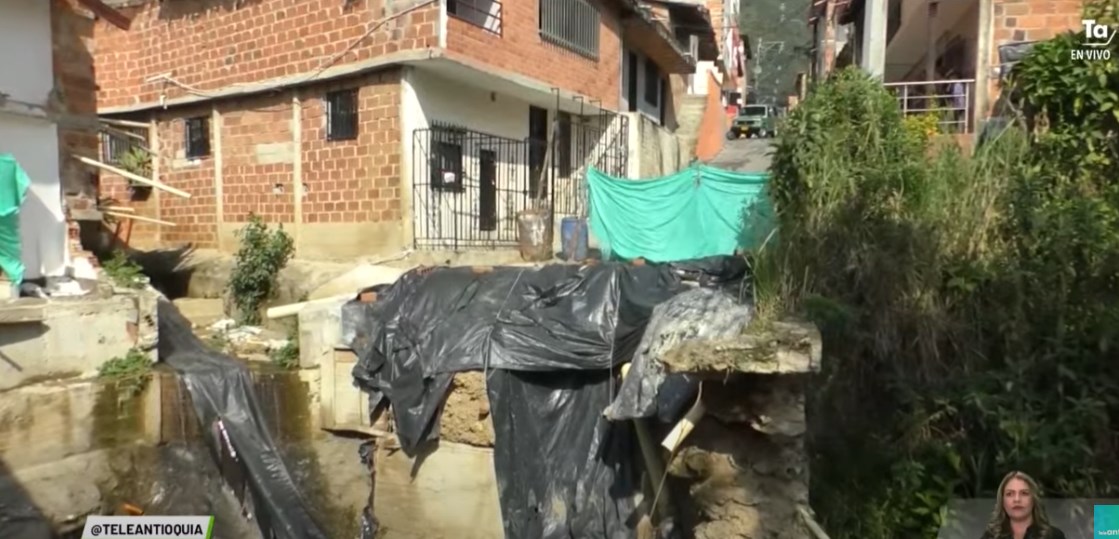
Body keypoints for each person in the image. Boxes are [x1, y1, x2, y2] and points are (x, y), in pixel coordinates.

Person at [981, 471, 1067, 539]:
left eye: (1024, 493)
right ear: (1002, 501)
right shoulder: (990, 537)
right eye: (1010, 494)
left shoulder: (1053, 536)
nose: (1017, 499)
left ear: (1034, 499)